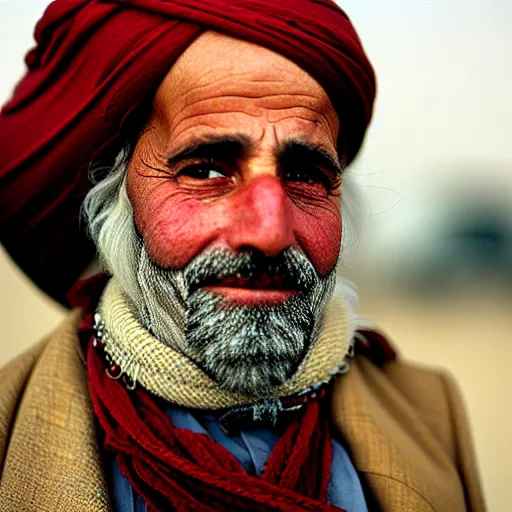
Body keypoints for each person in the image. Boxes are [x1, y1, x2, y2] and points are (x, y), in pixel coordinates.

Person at [0, 1, 485, 511]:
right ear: (117, 198)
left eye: (304, 175)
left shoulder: (432, 415)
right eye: (206, 171)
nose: (270, 232)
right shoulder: (11, 424)